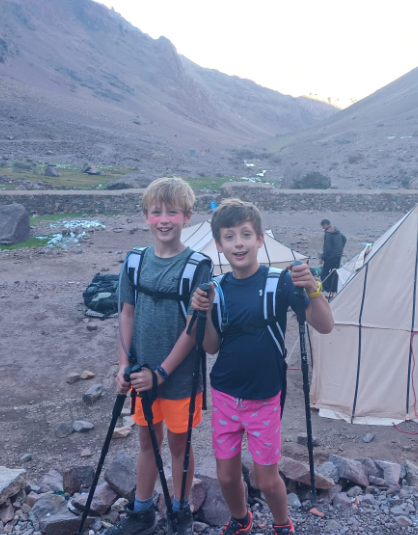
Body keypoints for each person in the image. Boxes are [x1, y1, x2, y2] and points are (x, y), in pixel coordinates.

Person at [190, 199, 334, 535]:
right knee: (226, 475)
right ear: (219, 244)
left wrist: (313, 289)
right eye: (229, 236)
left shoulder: (279, 282)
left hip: (264, 398)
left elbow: (324, 325)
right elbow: (210, 345)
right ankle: (241, 520)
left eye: (245, 234)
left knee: (267, 479)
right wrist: (202, 312)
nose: (238, 242)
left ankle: (282, 525)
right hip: (225, 393)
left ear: (260, 240)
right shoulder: (217, 290)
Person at [110, 177, 213, 535]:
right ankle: (142, 513)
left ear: (187, 216)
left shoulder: (198, 265)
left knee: (179, 444)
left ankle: (180, 512)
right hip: (140, 374)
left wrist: (162, 374)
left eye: (173, 212)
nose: (164, 219)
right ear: (146, 216)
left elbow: (193, 327)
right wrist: (124, 366)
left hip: (179, 378)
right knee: (145, 440)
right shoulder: (135, 261)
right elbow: (126, 313)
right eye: (157, 212)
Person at [319, 219, 346, 297]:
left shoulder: (328, 233)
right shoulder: (337, 231)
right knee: (335, 272)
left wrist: (323, 258)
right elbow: (344, 239)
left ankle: (328, 291)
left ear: (325, 225)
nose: (323, 228)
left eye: (322, 226)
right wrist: (340, 249)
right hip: (338, 256)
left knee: (324, 273)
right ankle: (334, 290)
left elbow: (327, 247)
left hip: (330, 256)